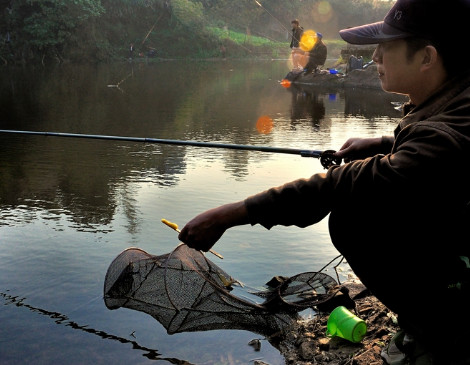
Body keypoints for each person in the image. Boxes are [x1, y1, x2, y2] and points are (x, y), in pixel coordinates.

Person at [178, 0, 470, 363]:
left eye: (386, 48)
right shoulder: (455, 101)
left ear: (427, 58)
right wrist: (383, 144)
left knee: (351, 215)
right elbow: (428, 152)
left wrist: (230, 214)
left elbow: (338, 185)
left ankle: (440, 330)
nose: (375, 56)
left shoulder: (446, 135)